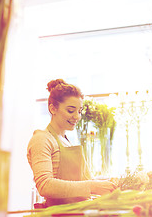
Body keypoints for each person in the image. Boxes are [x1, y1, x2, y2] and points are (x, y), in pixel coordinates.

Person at [27, 79, 116, 207]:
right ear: (53, 109)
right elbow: (45, 185)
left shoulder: (67, 141)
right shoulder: (42, 139)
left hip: (77, 216)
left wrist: (107, 183)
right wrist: (92, 186)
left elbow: (83, 182)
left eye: (79, 111)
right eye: (70, 111)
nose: (77, 117)